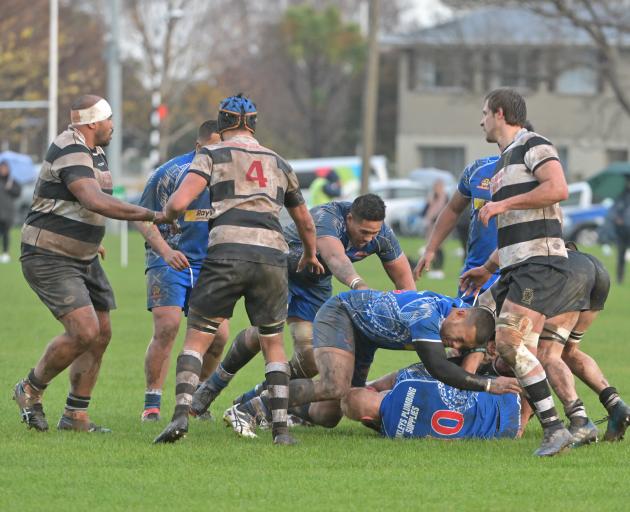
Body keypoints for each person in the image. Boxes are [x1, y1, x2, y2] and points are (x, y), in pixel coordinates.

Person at [153, 93, 324, 446]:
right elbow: (305, 221)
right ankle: (280, 430)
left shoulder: (211, 155)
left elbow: (179, 202)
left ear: (222, 123)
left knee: (197, 338)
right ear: (254, 125)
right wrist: (309, 254)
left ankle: (181, 416)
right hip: (272, 257)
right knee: (273, 343)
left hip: (226, 251)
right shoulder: (279, 161)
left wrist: (167, 215)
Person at [14, 94, 171, 433]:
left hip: (82, 256)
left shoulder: (95, 152)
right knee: (85, 330)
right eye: (108, 120)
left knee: (102, 333)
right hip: (49, 256)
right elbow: (92, 199)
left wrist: (91, 240)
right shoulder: (69, 146)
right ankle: (29, 388)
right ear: (92, 123)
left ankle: (75, 415)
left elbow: (75, 205)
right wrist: (152, 215)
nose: (113, 126)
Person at [191, 193, 416, 417]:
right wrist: (358, 284)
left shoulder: (383, 236)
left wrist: (413, 317)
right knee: (263, 334)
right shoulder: (329, 218)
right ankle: (210, 388)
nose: (368, 238)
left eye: (373, 233)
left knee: (311, 358)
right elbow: (335, 257)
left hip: (315, 282)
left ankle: (255, 398)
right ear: (350, 219)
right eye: (364, 232)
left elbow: (405, 280)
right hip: (279, 269)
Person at [224, 288, 519, 439]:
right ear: (458, 315)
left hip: (365, 337)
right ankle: (248, 410)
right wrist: (489, 385)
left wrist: (480, 351)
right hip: (342, 315)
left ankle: (261, 397)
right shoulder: (426, 317)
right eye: (457, 339)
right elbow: (440, 368)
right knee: (333, 385)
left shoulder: (456, 315)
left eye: (461, 345)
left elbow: (468, 344)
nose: (453, 346)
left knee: (329, 414)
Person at [460, 88, 575, 456]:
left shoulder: (533, 144)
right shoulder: (502, 162)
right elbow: (515, 230)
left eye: (483, 114)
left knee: (510, 343)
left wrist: (502, 203)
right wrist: (486, 267)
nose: (480, 122)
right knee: (496, 341)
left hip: (540, 263)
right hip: (513, 267)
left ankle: (556, 428)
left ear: (499, 113)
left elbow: (558, 188)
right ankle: (568, 421)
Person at [479, 244, 630, 444]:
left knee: (543, 354)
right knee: (568, 351)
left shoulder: (490, 302)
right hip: (595, 270)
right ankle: (616, 406)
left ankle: (580, 421)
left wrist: (521, 422)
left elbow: (524, 360)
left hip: (566, 273)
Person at [135, 120, 229, 422]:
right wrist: (165, 250)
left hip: (211, 264)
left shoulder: (230, 177)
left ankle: (197, 400)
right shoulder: (169, 173)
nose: (219, 152)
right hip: (169, 258)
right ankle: (152, 403)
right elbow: (142, 217)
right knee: (168, 325)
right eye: (214, 147)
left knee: (219, 337)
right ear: (199, 146)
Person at [341, 362, 521, 440]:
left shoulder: (392, 435)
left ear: (366, 420)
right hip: (507, 395)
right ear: (372, 390)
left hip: (506, 431)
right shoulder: (406, 382)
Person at [414, 156, 500, 302]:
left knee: (513, 323)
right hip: (474, 272)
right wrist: (430, 249)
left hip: (517, 272)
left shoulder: (535, 171)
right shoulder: (477, 169)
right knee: (461, 322)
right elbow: (452, 209)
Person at [420, 179, 449, 279]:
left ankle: (439, 269)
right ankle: (433, 268)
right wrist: (429, 203)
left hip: (441, 226)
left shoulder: (445, 198)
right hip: (431, 227)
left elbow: (446, 212)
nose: (436, 189)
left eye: (439, 187)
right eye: (435, 187)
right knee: (431, 248)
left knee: (439, 247)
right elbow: (424, 212)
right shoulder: (432, 197)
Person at [0, 160, 22, 263]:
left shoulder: (12, 181)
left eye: (5, 168)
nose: (3, 170)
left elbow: (18, 193)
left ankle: (5, 253)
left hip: (7, 213)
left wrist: (10, 189)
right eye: (2, 168)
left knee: (5, 233)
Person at [610, 175, 630, 284]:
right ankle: (619, 278)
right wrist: (617, 219)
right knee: (621, 256)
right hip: (622, 231)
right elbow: (614, 211)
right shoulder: (622, 196)